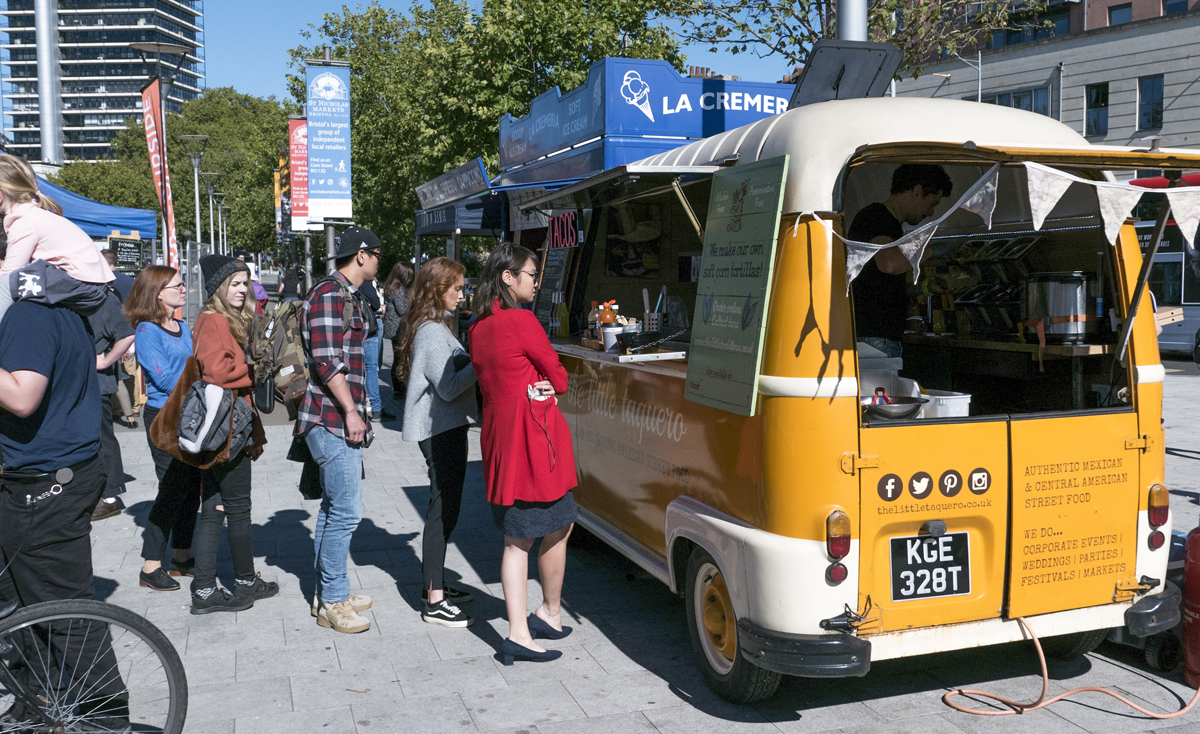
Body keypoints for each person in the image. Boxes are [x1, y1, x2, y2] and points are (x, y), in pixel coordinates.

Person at [0, 287, 129, 729]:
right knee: (23, 608)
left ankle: (107, 720)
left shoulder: (30, 315)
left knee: (66, 617)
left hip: (43, 485)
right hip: (50, 477)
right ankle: (34, 702)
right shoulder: (57, 309)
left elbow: (22, 396)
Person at [468, 244, 577, 665]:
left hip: (501, 441)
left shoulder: (478, 326)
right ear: (508, 277)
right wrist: (549, 383)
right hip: (533, 443)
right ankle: (519, 631)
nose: (536, 280)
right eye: (531, 273)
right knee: (523, 541)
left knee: (546, 528)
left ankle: (546, 613)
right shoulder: (521, 321)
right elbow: (560, 376)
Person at [295, 227, 380, 634]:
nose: (380, 260)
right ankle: (332, 601)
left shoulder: (348, 294)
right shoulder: (330, 294)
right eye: (377, 253)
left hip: (335, 416)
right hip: (330, 418)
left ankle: (330, 591)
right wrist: (351, 412)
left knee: (334, 510)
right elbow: (328, 361)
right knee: (346, 512)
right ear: (361, 255)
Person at [189, 254, 277, 614]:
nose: (242, 290)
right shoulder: (213, 321)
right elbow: (217, 372)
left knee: (213, 507)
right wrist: (253, 370)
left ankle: (207, 589)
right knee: (237, 508)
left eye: (245, 283)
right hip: (226, 430)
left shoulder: (223, 319)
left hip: (225, 428)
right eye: (235, 284)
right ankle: (242, 580)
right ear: (218, 288)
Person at [398, 257, 477, 627]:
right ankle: (434, 601)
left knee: (446, 507)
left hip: (444, 427)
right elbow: (447, 388)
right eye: (457, 287)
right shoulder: (431, 331)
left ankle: (436, 584)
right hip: (439, 429)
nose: (462, 295)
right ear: (436, 288)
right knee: (442, 509)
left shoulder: (434, 326)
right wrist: (481, 362)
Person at [128, 266, 202, 591]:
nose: (184, 289)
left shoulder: (182, 326)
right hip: (163, 418)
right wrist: (201, 381)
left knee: (190, 489)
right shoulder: (146, 331)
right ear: (159, 292)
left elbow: (192, 367)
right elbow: (164, 378)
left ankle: (182, 558)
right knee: (171, 488)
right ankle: (150, 565)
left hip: (190, 413)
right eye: (178, 285)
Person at [850, 164, 953, 358]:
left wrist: (926, 287)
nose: (931, 212)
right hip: (874, 339)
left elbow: (883, 286)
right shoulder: (877, 217)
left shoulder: (891, 226)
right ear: (917, 191)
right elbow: (889, 264)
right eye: (932, 203)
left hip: (878, 337)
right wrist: (931, 250)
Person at [0, 153, 114, 323]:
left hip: (83, 285)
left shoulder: (24, 222)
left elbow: (9, 274)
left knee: (6, 284)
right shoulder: (35, 215)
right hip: (90, 285)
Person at [88, 286, 136, 521]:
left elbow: (127, 333)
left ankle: (109, 497)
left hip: (96, 382)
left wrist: (106, 361)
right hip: (72, 382)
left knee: (102, 437)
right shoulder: (61, 296)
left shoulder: (103, 298)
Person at [103, 250, 140, 429]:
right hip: (130, 330)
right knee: (130, 373)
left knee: (115, 376)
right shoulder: (130, 281)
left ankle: (117, 410)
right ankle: (133, 409)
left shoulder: (101, 283)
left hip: (109, 337)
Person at [382, 261, 413, 410]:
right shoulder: (399, 289)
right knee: (400, 359)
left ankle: (397, 388)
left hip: (391, 326)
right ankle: (399, 388)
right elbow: (402, 310)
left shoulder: (390, 287)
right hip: (398, 328)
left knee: (397, 358)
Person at [359, 275, 384, 420]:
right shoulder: (365, 281)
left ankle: (364, 403)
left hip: (358, 327)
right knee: (372, 368)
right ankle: (376, 408)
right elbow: (375, 303)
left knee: (362, 367)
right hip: (370, 326)